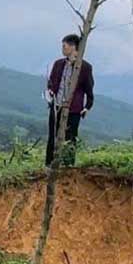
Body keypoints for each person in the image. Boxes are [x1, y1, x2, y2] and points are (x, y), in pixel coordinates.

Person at [45, 33, 94, 166]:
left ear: (73, 47)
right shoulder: (59, 64)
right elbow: (52, 82)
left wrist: (87, 106)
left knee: (70, 138)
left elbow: (89, 89)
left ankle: (68, 166)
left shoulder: (84, 67)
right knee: (53, 136)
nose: (63, 48)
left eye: (64, 46)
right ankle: (49, 165)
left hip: (73, 109)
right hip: (56, 105)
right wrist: (50, 91)